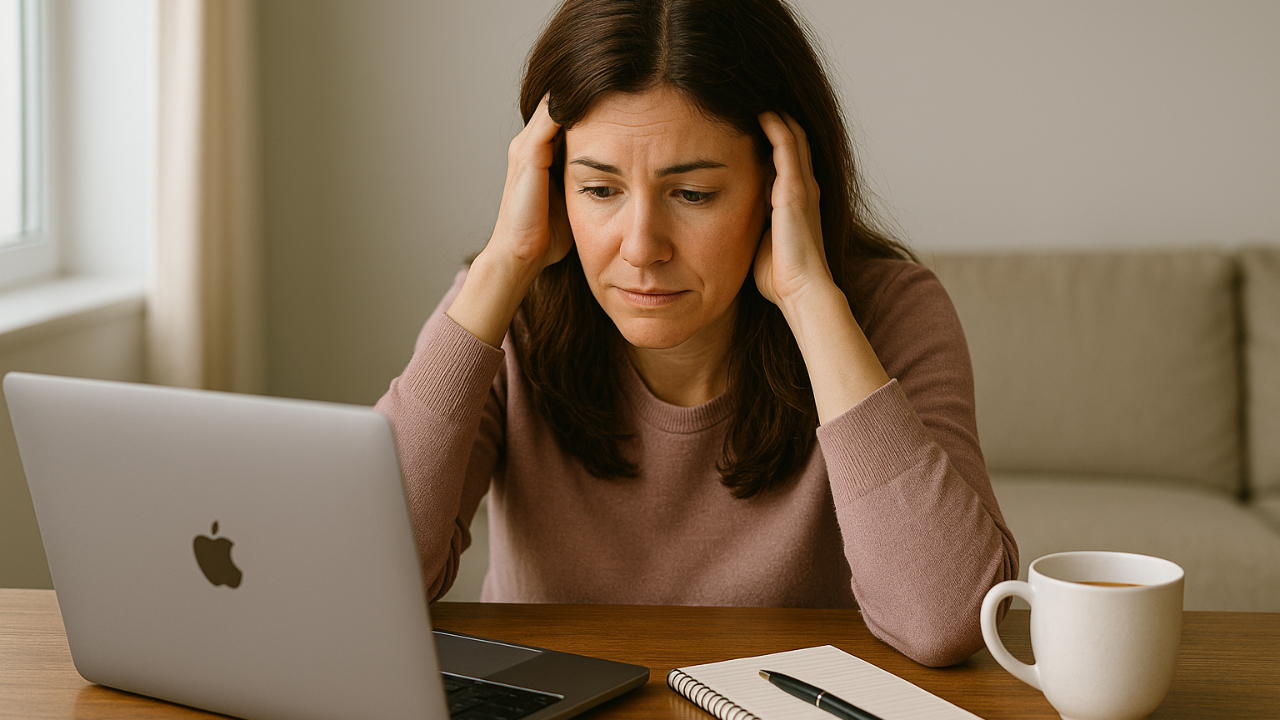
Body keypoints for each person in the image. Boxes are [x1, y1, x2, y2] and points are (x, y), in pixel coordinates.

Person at [376, 0, 1017, 667]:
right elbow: (366, 581)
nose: (641, 247)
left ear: (779, 186)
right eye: (599, 189)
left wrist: (808, 300)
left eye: (693, 195)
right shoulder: (507, 310)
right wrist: (503, 262)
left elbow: (943, 620)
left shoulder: (890, 315)